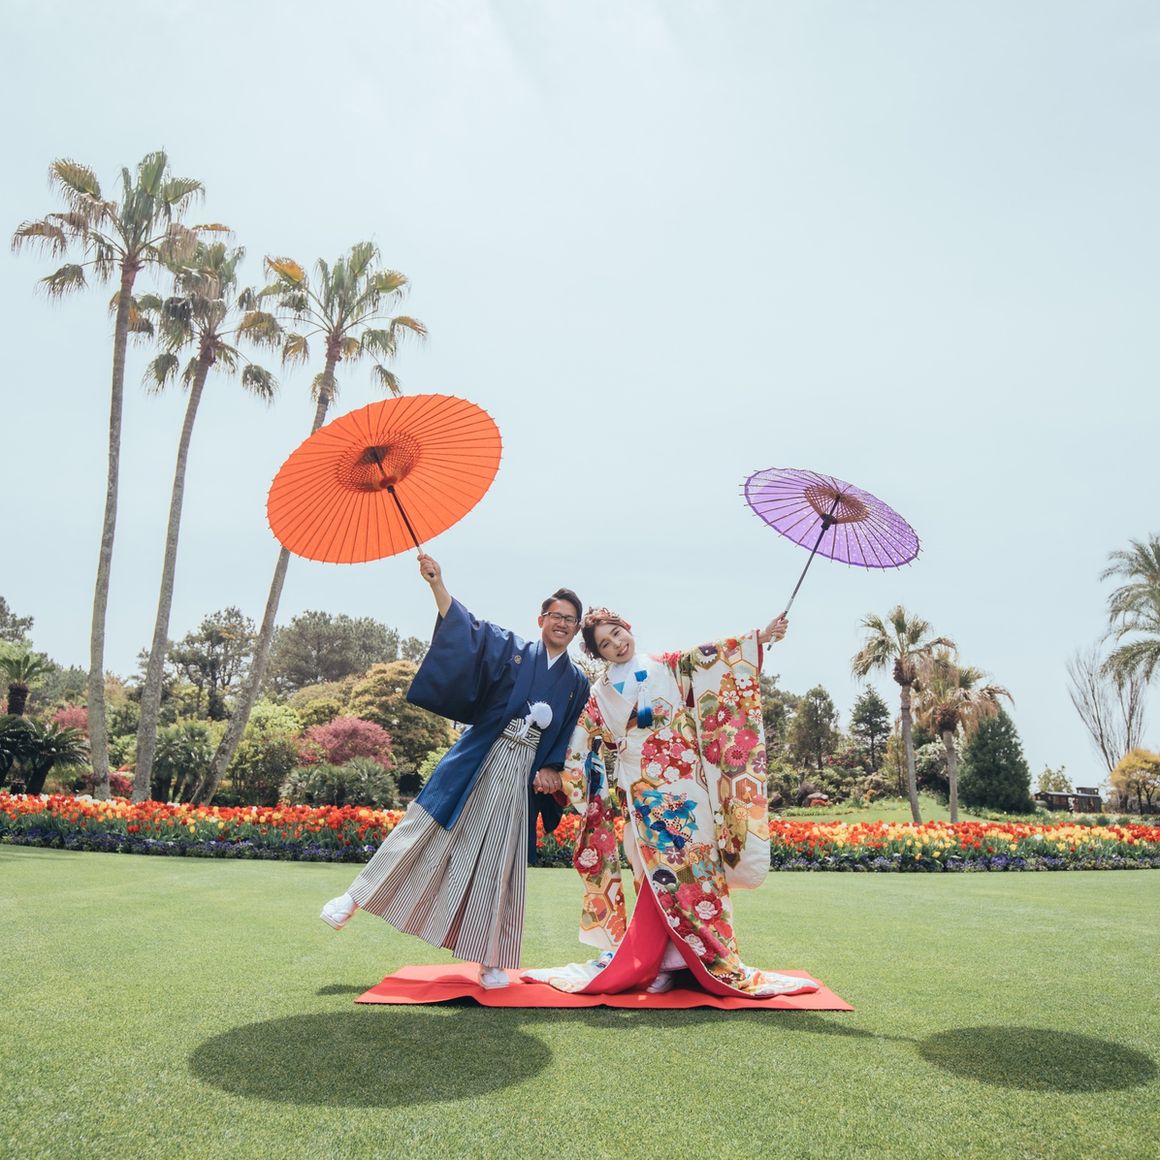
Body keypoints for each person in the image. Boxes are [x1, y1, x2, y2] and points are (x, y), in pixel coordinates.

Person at [320, 553, 590, 988]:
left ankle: (491, 958)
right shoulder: (512, 650)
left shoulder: (576, 682)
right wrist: (436, 584)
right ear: (541, 619)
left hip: (522, 771)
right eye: (556, 616)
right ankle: (353, 898)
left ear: (576, 630)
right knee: (423, 828)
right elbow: (467, 630)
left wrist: (553, 767)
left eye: (570, 620)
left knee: (502, 859)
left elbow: (573, 731)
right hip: (481, 754)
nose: (562, 624)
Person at [525, 607, 819, 999]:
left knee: (698, 871)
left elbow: (715, 655)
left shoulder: (669, 664)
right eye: (606, 644)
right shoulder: (600, 693)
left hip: (686, 786)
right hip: (640, 791)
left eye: (617, 633)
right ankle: (660, 963)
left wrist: (759, 638)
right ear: (600, 654)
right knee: (652, 874)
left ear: (628, 627)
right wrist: (564, 775)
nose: (617, 645)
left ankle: (695, 961)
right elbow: (580, 741)